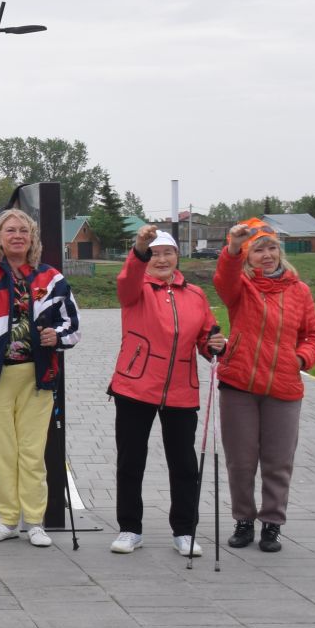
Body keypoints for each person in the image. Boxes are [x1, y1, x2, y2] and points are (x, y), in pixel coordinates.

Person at [0, 191, 81, 548]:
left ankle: (35, 521)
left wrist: (54, 336)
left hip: (38, 376)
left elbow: (73, 327)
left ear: (33, 239)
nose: (16, 235)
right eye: (9, 230)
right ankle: (6, 519)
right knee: (2, 451)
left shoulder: (53, 278)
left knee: (31, 452)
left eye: (23, 231)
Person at [109, 224, 226, 557]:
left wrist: (215, 345)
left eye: (168, 252)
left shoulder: (196, 295)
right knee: (131, 461)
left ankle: (185, 531)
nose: (161, 259)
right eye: (155, 253)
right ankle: (130, 529)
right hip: (135, 386)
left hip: (180, 390)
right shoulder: (135, 288)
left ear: (178, 256)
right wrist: (138, 248)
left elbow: (206, 339)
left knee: (184, 464)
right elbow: (125, 279)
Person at [215, 219, 315, 553]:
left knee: (278, 460)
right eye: (258, 249)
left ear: (280, 251)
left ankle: (272, 523)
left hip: (284, 387)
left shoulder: (299, 291)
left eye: (271, 247)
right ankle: (244, 520)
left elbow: (312, 335)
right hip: (239, 386)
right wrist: (232, 247)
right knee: (241, 460)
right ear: (247, 257)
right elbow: (224, 277)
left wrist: (301, 359)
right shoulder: (240, 287)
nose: (266, 255)